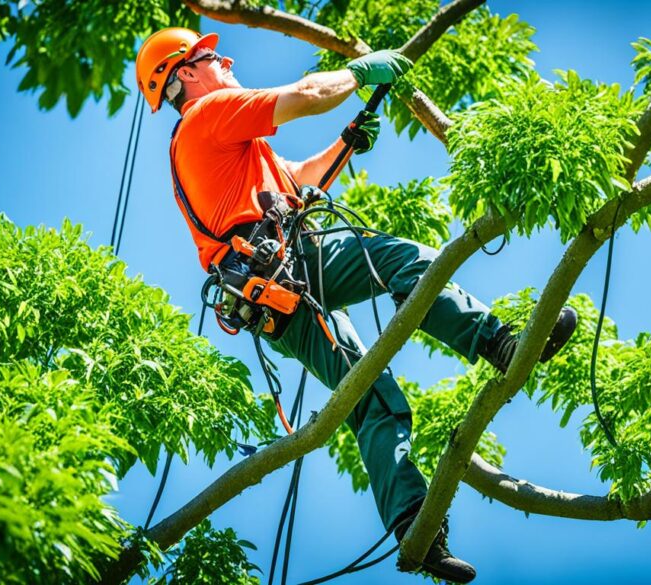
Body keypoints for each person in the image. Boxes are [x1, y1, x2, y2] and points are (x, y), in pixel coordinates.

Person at [135, 27, 577, 583]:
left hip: (275, 297)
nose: (224, 59)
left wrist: (344, 141)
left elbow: (299, 181)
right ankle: (498, 342)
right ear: (185, 74)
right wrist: (361, 73)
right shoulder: (208, 115)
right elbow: (309, 94)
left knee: (371, 398)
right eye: (210, 55)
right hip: (288, 264)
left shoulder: (227, 145)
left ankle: (417, 532)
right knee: (408, 262)